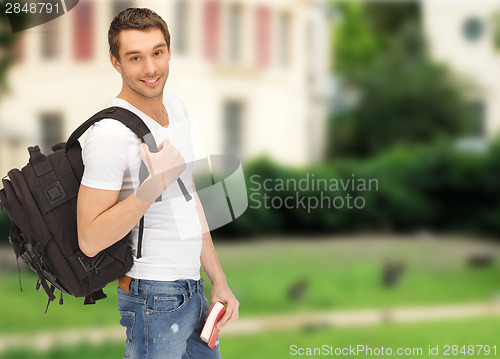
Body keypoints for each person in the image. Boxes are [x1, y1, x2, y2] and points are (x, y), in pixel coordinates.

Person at [76, 7, 238, 359]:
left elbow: (190, 199)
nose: (150, 68)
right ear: (116, 62)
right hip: (151, 296)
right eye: (135, 57)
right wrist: (153, 184)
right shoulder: (109, 135)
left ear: (169, 51)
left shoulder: (177, 109)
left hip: (192, 291)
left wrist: (218, 279)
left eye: (158, 53)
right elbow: (89, 239)